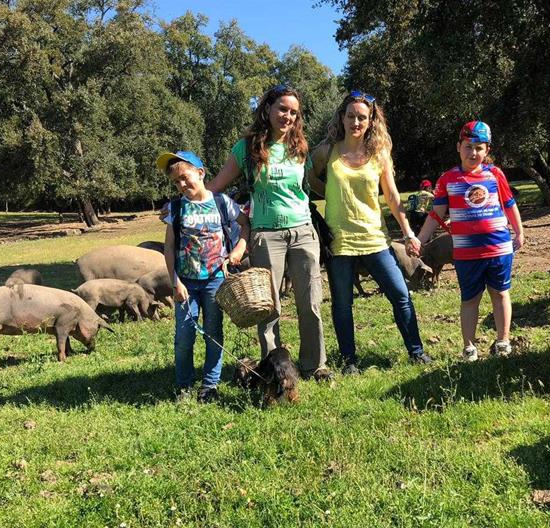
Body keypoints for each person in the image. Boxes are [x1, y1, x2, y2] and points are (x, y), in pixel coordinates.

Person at [206, 85, 332, 381]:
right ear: (268, 109)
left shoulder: (300, 147)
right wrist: (181, 204)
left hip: (303, 231)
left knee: (310, 302)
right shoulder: (247, 148)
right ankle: (274, 368)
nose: (287, 116)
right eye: (282, 109)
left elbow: (312, 186)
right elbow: (215, 186)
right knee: (269, 306)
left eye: (293, 112)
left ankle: (316, 365)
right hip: (265, 235)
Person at [308, 90, 432, 375]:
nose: (355, 122)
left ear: (371, 120)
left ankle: (416, 351)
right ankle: (350, 360)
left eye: (361, 117)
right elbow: (313, 181)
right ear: (341, 117)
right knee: (342, 303)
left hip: (375, 238)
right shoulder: (326, 152)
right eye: (350, 116)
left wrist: (409, 232)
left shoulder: (379, 154)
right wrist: (330, 193)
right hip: (339, 241)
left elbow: (392, 196)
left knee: (401, 294)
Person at [412, 121, 525, 362]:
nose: (473, 153)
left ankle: (503, 341)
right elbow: (436, 214)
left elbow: (509, 204)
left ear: (487, 150)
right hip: (465, 253)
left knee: (500, 293)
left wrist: (519, 231)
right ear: (458, 147)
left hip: (498, 248)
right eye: (467, 146)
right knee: (470, 299)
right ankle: (469, 348)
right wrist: (420, 239)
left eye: (479, 148)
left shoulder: (495, 174)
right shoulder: (448, 179)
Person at [157, 150, 250, 402]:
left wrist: (239, 250)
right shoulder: (176, 209)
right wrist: (175, 281)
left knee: (213, 332)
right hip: (185, 283)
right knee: (184, 336)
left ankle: (210, 386)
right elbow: (168, 248)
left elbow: (245, 225)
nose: (182, 184)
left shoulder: (222, 203)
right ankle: (184, 385)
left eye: (186, 177)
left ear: (200, 173)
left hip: (215, 281)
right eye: (176, 182)